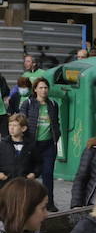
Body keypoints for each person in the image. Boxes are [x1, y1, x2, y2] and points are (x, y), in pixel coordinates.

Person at [14, 77, 59, 209]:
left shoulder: (53, 104)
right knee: (29, 175)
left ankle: (49, 203)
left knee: (48, 174)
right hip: (32, 145)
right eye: (41, 87)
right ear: (35, 89)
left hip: (49, 145)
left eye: (45, 87)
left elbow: (56, 123)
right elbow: (21, 123)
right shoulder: (28, 103)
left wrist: (57, 134)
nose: (44, 90)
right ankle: (27, 203)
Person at [0, 114, 37, 189]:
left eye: (15, 125)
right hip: (5, 184)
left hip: (24, 185)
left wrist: (34, 173)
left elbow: (38, 162)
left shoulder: (30, 145)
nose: (11, 128)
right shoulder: (2, 144)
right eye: (10, 125)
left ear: (23, 128)